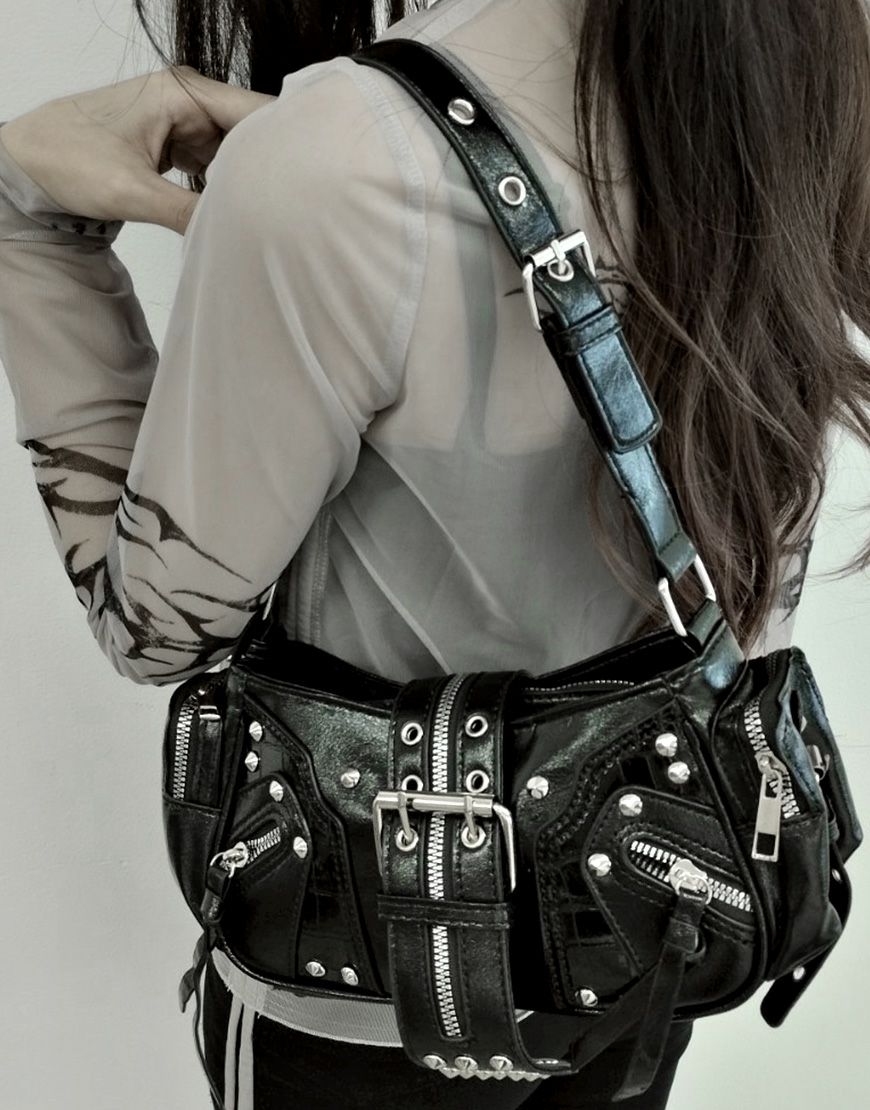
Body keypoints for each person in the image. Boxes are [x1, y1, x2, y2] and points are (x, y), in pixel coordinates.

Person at [1, 0, 868, 1107]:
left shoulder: (336, 156)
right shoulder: (802, 57)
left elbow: (153, 627)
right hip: (656, 930)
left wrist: (30, 222)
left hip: (364, 997)